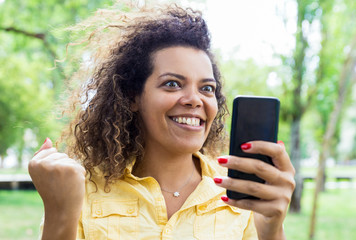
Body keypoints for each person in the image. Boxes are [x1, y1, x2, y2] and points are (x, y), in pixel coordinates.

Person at [28, 2, 295, 240]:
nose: (194, 99)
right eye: (172, 84)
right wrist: (60, 214)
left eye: (207, 88)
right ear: (132, 97)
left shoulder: (241, 194)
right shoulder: (82, 191)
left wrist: (272, 231)